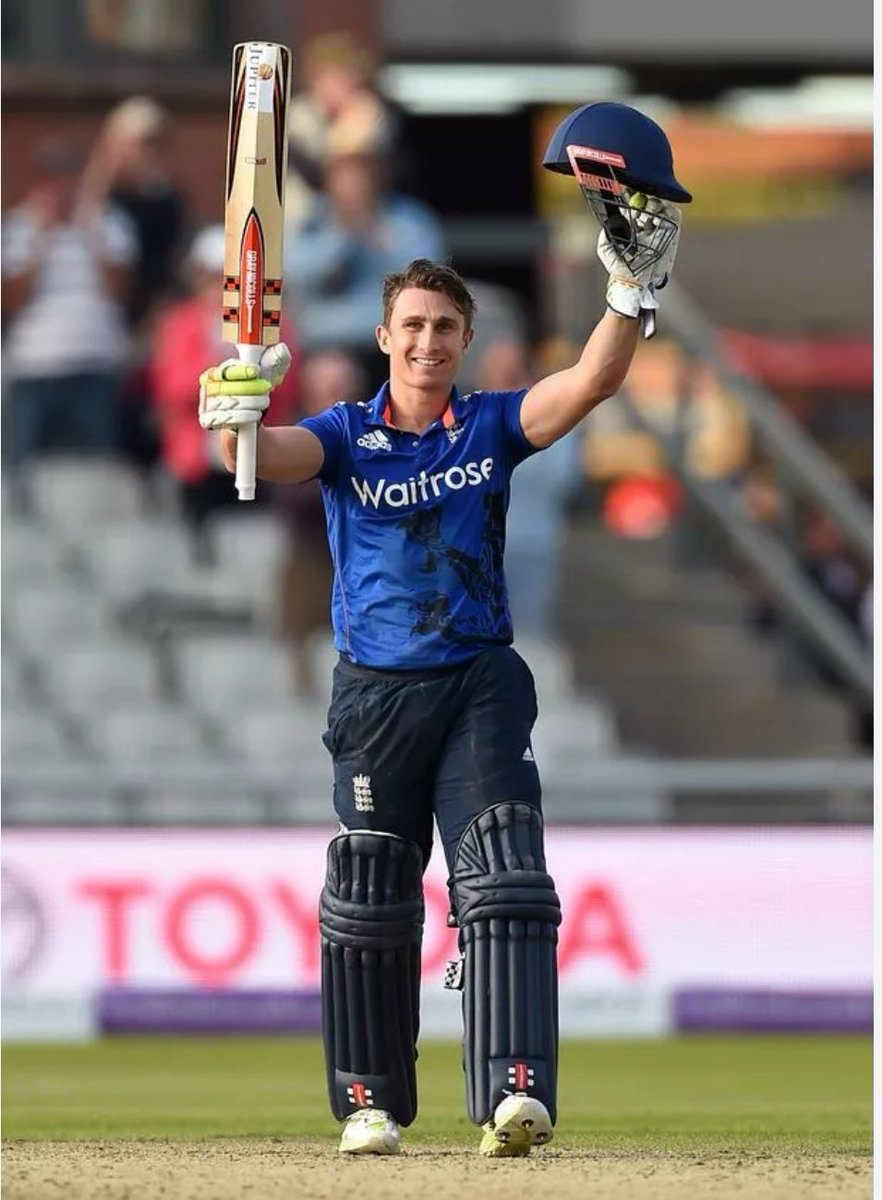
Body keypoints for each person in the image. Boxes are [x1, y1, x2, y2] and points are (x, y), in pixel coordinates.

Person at [197, 113, 684, 1158]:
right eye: (411, 326)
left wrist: (627, 294)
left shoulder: (492, 425)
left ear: (464, 344)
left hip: (477, 682)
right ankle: (369, 1103)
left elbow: (591, 383)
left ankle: (515, 1092)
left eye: (444, 329)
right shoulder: (344, 437)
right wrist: (231, 410)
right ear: (385, 337)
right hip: (376, 694)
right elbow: (269, 456)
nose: (426, 342)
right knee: (370, 889)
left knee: (504, 878)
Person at [150, 225, 298, 552]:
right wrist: (226, 381)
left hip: (258, 449)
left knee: (256, 538)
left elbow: (285, 382)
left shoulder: (272, 324)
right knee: (197, 539)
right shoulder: (181, 323)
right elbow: (171, 387)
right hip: (198, 458)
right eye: (213, 276)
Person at [1, 139, 136, 467]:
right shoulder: (20, 226)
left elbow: (121, 291)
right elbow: (12, 300)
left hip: (96, 360)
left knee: (97, 466)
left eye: (68, 178)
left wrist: (91, 233)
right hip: (34, 365)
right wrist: (40, 240)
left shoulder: (110, 222)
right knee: (22, 469)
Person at [285, 117, 444, 392]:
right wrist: (344, 236)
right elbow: (295, 277)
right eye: (344, 170)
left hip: (393, 349)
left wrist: (376, 235)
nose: (354, 180)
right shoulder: (311, 222)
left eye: (363, 169)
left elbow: (430, 285)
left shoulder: (410, 221)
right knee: (333, 375)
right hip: (323, 349)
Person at [273, 351, 364, 696]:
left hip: (361, 569)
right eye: (330, 391)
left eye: (345, 390)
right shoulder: (293, 437)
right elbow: (297, 497)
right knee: (303, 675)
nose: (339, 400)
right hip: (311, 567)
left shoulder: (374, 440)